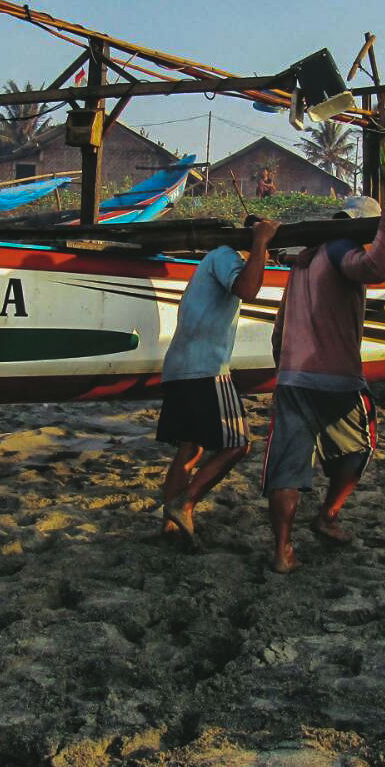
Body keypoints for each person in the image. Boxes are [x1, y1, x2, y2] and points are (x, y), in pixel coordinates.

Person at [261, 195, 385, 574]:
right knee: (362, 446)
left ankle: (282, 551)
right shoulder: (342, 247)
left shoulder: (303, 260)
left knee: (286, 468)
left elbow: (279, 327)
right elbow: (375, 268)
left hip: (293, 377)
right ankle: (328, 514)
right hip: (337, 378)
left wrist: (284, 367)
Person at [158, 214, 280, 541]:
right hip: (206, 367)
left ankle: (170, 525)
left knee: (190, 449)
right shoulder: (225, 255)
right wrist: (261, 243)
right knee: (238, 444)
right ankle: (185, 503)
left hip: (181, 367)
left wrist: (259, 249)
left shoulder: (213, 259)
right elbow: (249, 290)